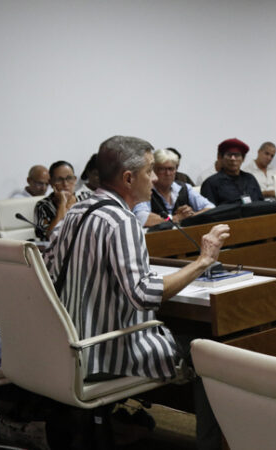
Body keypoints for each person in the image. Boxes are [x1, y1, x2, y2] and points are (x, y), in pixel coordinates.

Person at [44, 135, 229, 450]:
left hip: (65, 346)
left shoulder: (76, 211)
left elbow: (51, 271)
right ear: (129, 178)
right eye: (150, 171)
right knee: (212, 354)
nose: (156, 178)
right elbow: (144, 294)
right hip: (104, 352)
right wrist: (203, 261)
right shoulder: (122, 220)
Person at [133, 148, 215, 226]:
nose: (167, 173)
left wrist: (190, 215)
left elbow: (211, 208)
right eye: (162, 169)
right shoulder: (145, 189)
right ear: (153, 170)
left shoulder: (184, 187)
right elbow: (142, 218)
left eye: (171, 169)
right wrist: (175, 218)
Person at [34, 160, 93, 239]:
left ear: (75, 180)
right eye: (59, 180)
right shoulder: (43, 206)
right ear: (51, 183)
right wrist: (62, 204)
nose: (65, 184)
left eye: (69, 178)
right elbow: (50, 236)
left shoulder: (87, 198)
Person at [200, 138, 264, 205]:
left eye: (237, 155)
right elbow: (208, 211)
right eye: (229, 155)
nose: (233, 159)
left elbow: (261, 204)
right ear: (220, 157)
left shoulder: (250, 179)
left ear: (243, 159)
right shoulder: (211, 183)